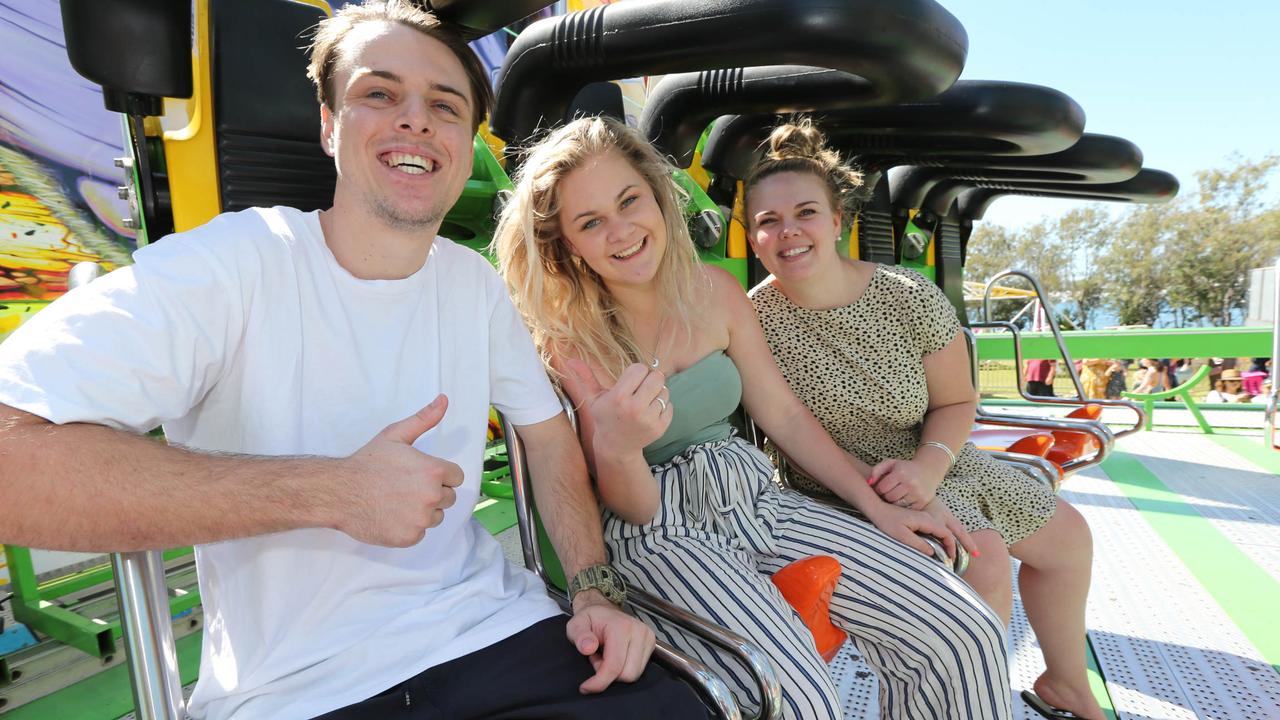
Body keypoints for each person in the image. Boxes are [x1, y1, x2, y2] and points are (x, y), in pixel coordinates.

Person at [0, 4, 706, 719]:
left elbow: (549, 439)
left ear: (464, 145)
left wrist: (593, 588)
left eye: (445, 105)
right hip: (303, 691)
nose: (415, 120)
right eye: (379, 93)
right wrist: (331, 492)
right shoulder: (232, 267)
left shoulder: (473, 285)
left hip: (496, 636)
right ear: (329, 124)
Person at [493, 115, 1012, 720]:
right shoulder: (570, 343)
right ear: (567, 245)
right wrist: (618, 446)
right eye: (590, 222)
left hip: (755, 497)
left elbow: (786, 418)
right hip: (662, 531)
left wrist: (876, 507)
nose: (621, 230)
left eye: (629, 200)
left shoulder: (715, 291)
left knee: (961, 628)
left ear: (658, 197)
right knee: (799, 699)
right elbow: (632, 508)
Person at [743, 120, 1104, 720]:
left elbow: (957, 402)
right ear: (752, 237)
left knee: (1069, 539)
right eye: (768, 221)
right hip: (839, 483)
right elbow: (787, 424)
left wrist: (929, 467)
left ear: (838, 221)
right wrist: (897, 488)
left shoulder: (906, 294)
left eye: (805, 213)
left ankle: (1065, 683)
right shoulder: (754, 319)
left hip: (936, 458)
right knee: (981, 561)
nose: (788, 232)